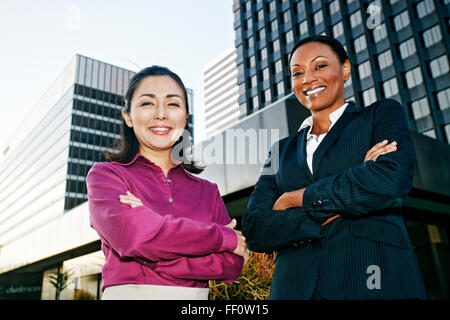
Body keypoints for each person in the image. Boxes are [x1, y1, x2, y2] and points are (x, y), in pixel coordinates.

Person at [242, 35, 427, 300]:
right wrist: (355, 183)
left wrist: (294, 199)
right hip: (293, 291)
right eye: (297, 73)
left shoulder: (380, 115)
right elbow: (255, 228)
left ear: (346, 69)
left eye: (319, 66)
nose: (307, 79)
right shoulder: (279, 151)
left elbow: (390, 179)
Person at [86, 66, 247, 300]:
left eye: (173, 104)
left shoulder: (207, 190)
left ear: (185, 117)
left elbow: (232, 265)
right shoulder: (107, 176)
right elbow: (133, 237)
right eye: (147, 103)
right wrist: (222, 237)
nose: (161, 114)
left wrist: (151, 253)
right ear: (128, 117)